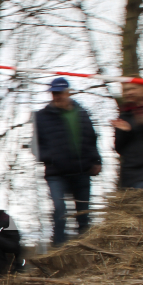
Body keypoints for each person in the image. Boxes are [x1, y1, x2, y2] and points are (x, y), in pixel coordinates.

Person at [33, 77, 102, 246]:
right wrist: (51, 159)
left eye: (60, 93)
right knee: (60, 209)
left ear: (68, 92)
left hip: (82, 172)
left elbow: (91, 138)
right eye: (54, 93)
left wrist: (96, 161)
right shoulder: (41, 117)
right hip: (56, 174)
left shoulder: (82, 113)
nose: (57, 96)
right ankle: (58, 250)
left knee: (83, 213)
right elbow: (36, 146)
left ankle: (86, 250)